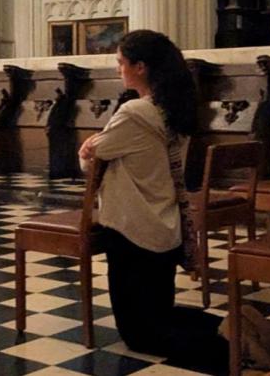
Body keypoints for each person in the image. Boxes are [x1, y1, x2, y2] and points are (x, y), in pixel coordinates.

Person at [77, 30, 227, 369]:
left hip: (131, 231)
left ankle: (233, 347)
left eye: (121, 62)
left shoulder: (134, 113)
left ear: (140, 67)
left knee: (141, 335)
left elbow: (93, 159)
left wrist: (87, 150)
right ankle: (233, 329)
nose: (118, 69)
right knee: (161, 314)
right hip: (165, 228)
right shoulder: (174, 109)